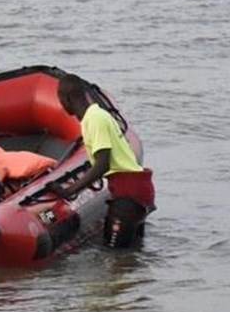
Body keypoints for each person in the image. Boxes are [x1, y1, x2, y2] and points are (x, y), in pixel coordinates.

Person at [54, 74, 156, 248]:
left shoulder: (94, 119)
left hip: (128, 194)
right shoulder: (98, 115)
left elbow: (102, 164)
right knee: (131, 253)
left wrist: (70, 190)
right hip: (138, 189)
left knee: (113, 253)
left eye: (61, 100)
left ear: (66, 99)